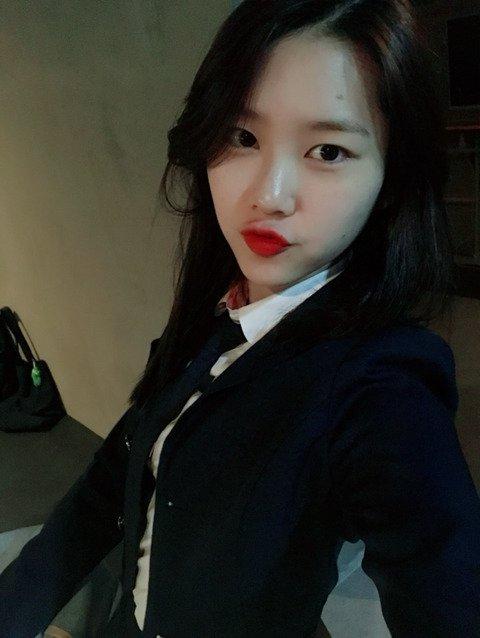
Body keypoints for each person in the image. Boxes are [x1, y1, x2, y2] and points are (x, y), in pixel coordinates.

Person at [1, 0, 480, 636]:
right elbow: (110, 485)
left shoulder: (380, 387)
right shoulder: (220, 312)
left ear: (392, 180)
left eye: (328, 150)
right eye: (242, 137)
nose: (268, 195)